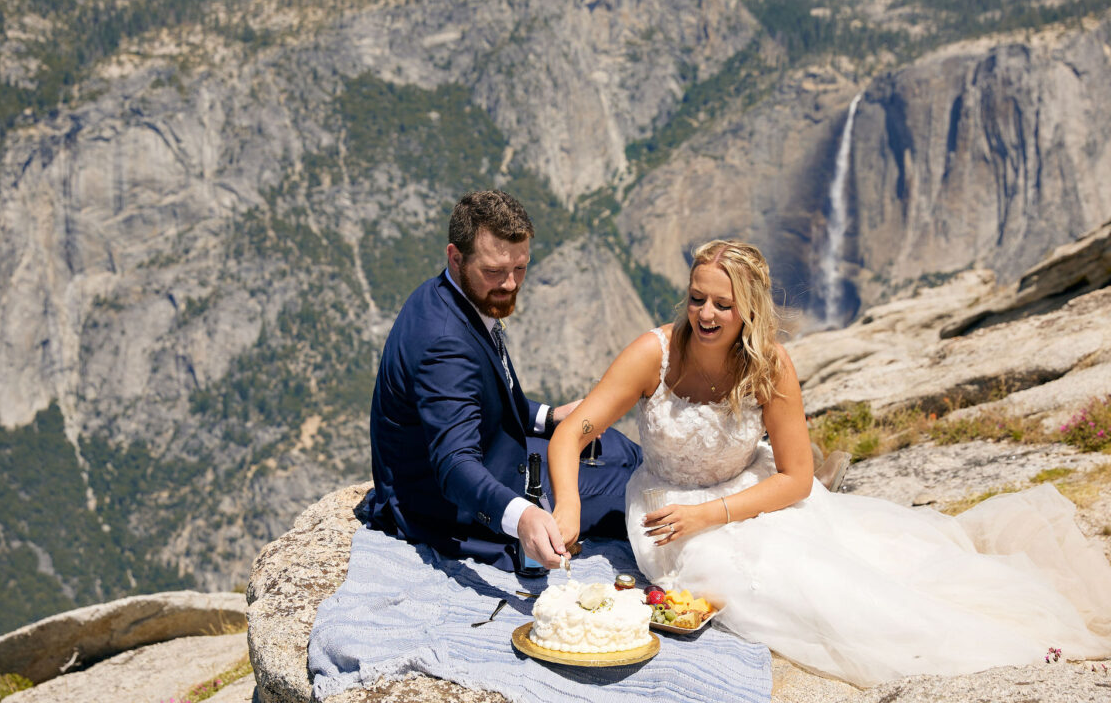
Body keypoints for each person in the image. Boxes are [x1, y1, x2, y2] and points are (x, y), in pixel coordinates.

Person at [548, 239, 1111, 686]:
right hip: (667, 510)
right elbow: (572, 432)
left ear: (750, 308)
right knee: (749, 584)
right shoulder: (656, 354)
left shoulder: (770, 364)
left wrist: (715, 513)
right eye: (697, 298)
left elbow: (795, 479)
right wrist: (567, 508)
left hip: (753, 495)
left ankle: (987, 647)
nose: (706, 314)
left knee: (837, 575)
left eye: (724, 303)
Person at [368, 190, 642, 572]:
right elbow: (455, 465)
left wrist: (549, 417)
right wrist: (523, 517)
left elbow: (485, 398)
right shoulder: (445, 342)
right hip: (458, 505)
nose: (511, 284)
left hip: (499, 451)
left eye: (521, 268)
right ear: (455, 257)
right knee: (636, 495)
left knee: (618, 447)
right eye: (495, 271)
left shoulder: (453, 295)